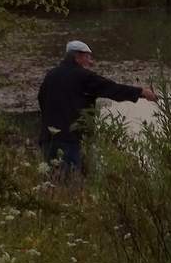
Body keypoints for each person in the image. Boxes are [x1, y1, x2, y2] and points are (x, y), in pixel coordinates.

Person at [37, 40, 158, 172]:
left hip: (48, 139)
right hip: (70, 140)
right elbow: (112, 89)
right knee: (70, 179)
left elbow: (41, 99)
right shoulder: (83, 76)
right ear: (77, 56)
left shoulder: (51, 75)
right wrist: (141, 92)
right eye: (88, 57)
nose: (91, 62)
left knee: (53, 179)